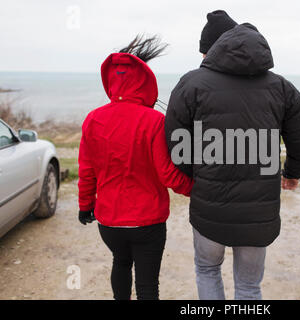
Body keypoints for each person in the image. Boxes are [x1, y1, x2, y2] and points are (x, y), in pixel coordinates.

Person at [165, 10, 300, 300]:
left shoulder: (192, 83)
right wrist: (292, 172)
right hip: (258, 214)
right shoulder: (281, 87)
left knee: (207, 270)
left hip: (209, 206)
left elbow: (174, 139)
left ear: (213, 49)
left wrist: (195, 172)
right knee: (249, 287)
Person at [77, 35, 193, 300]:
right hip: (148, 220)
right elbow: (168, 174)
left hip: (109, 221)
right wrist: (196, 189)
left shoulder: (93, 119)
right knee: (147, 285)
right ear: (145, 80)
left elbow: (87, 171)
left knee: (120, 263)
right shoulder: (155, 121)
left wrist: (85, 205)